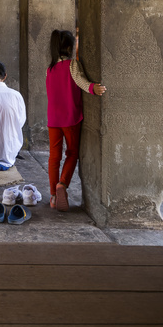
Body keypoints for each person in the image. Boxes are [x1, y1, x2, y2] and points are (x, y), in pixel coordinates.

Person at [46, 29, 107, 211]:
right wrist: (93, 88)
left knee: (53, 157)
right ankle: (62, 184)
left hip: (53, 119)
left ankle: (53, 196)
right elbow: (80, 81)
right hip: (71, 118)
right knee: (72, 153)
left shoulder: (49, 69)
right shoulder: (72, 65)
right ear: (70, 47)